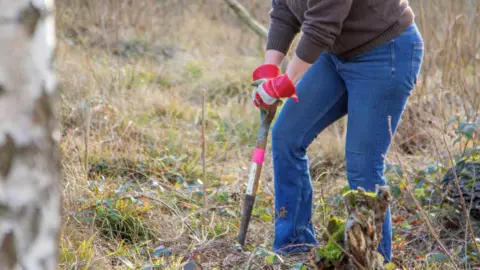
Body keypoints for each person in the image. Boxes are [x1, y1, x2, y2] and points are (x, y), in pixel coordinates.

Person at [250, 0, 424, 262]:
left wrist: (286, 82)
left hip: (385, 51)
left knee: (363, 166)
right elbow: (284, 11)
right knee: (287, 135)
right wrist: (270, 70)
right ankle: (295, 248)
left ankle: (374, 261)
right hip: (335, 55)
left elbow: (322, 25)